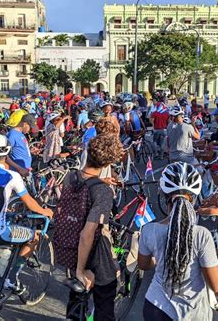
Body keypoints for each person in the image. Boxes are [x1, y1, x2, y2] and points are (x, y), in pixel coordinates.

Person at [138, 162, 218, 321]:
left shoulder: (149, 230)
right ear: (195, 198)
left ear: (164, 195)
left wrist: (164, 257)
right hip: (190, 313)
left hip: (155, 307)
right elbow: (217, 285)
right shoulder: (201, 235)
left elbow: (144, 265)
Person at [0, 134, 53, 292]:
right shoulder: (12, 176)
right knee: (34, 237)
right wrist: (45, 211)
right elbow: (30, 203)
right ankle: (11, 279)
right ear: (6, 153)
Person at [66, 134, 123, 320]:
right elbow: (88, 233)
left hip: (69, 245)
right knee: (105, 296)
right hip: (94, 253)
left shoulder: (71, 178)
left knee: (76, 296)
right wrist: (81, 270)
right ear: (108, 163)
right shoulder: (102, 192)